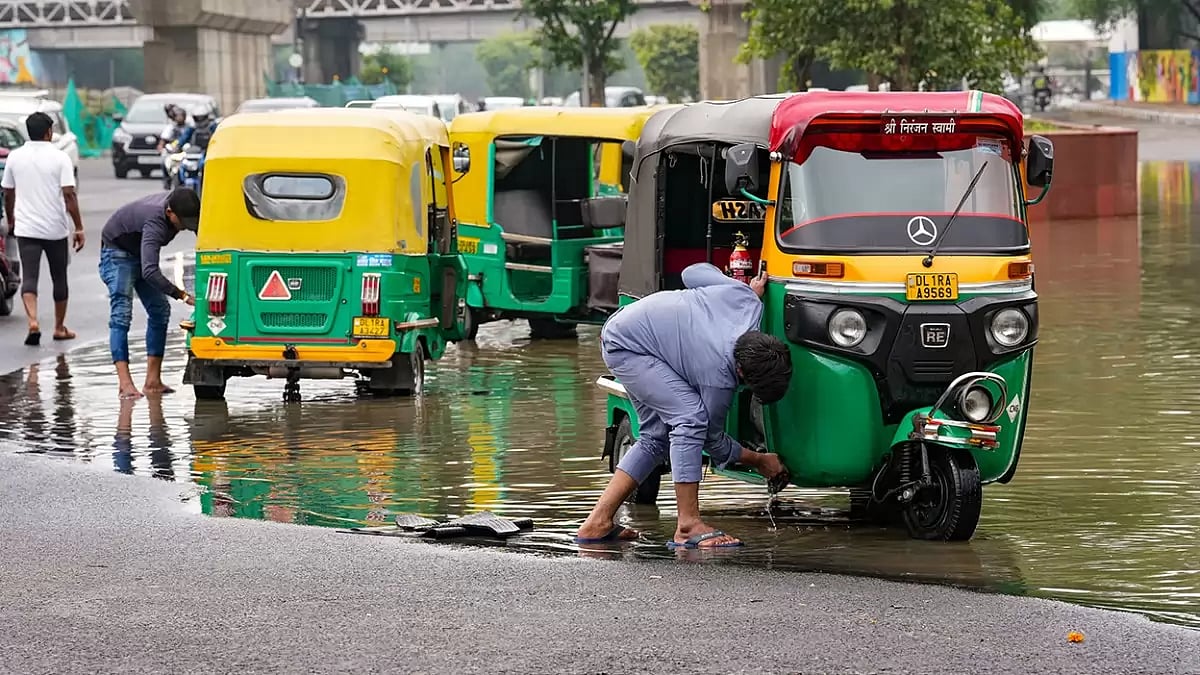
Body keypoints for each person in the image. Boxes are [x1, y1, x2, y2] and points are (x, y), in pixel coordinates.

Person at [574, 262, 793, 549]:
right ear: (742, 374)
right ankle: (688, 525)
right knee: (690, 419)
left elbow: (691, 273)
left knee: (655, 438)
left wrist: (740, 287)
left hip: (628, 324)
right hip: (627, 346)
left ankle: (597, 523)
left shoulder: (747, 300)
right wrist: (760, 460)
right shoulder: (719, 372)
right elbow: (709, 439)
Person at [98, 188, 200, 400]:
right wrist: (182, 295)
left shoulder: (182, 205)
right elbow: (150, 271)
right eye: (182, 223)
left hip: (138, 251)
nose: (183, 229)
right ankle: (125, 384)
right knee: (121, 314)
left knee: (160, 310)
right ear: (170, 212)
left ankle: (153, 382)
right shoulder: (156, 222)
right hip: (117, 251)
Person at [1, 111, 84, 346]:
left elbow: (8, 192)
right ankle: (58, 328)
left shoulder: (15, 158)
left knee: (30, 277)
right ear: (48, 132)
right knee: (59, 277)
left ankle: (33, 322)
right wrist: (78, 227)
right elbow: (69, 195)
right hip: (55, 228)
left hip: (26, 228)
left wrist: (12, 219)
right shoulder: (60, 158)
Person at [158, 104, 190, 189]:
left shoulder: (189, 128)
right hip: (174, 152)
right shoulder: (171, 128)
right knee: (164, 161)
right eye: (178, 116)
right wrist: (161, 148)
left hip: (186, 152)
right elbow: (163, 141)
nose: (180, 118)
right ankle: (167, 180)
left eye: (181, 116)